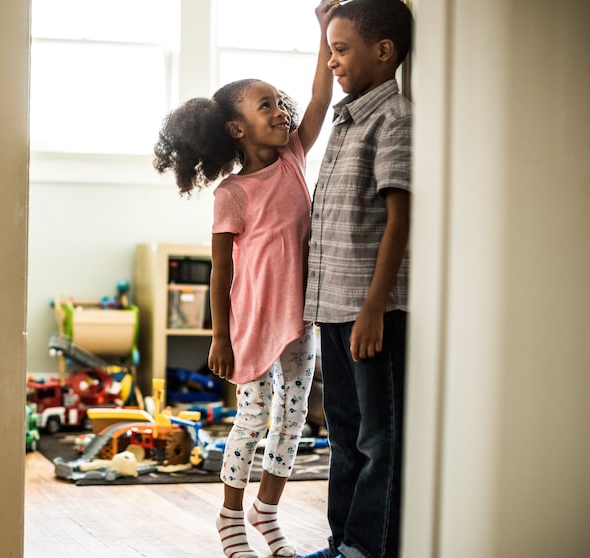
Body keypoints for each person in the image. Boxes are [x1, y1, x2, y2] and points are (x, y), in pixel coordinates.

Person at [153, 4, 335, 557]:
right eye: (266, 107)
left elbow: (322, 97)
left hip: (299, 317)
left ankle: (267, 510)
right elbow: (221, 272)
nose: (281, 112)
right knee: (253, 419)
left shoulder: (295, 156)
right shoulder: (231, 194)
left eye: (280, 102)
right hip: (253, 322)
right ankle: (230, 515)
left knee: (293, 418)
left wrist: (325, 31)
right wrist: (219, 337)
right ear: (237, 128)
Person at [298, 0, 414, 557]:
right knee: (341, 435)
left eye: (341, 50)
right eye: (329, 50)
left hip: (370, 312)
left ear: (383, 51)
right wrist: (325, 26)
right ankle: (340, 543)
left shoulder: (394, 118)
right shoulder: (345, 120)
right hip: (331, 306)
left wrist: (373, 308)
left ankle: (366, 551)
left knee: (375, 441)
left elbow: (400, 218)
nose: (333, 60)